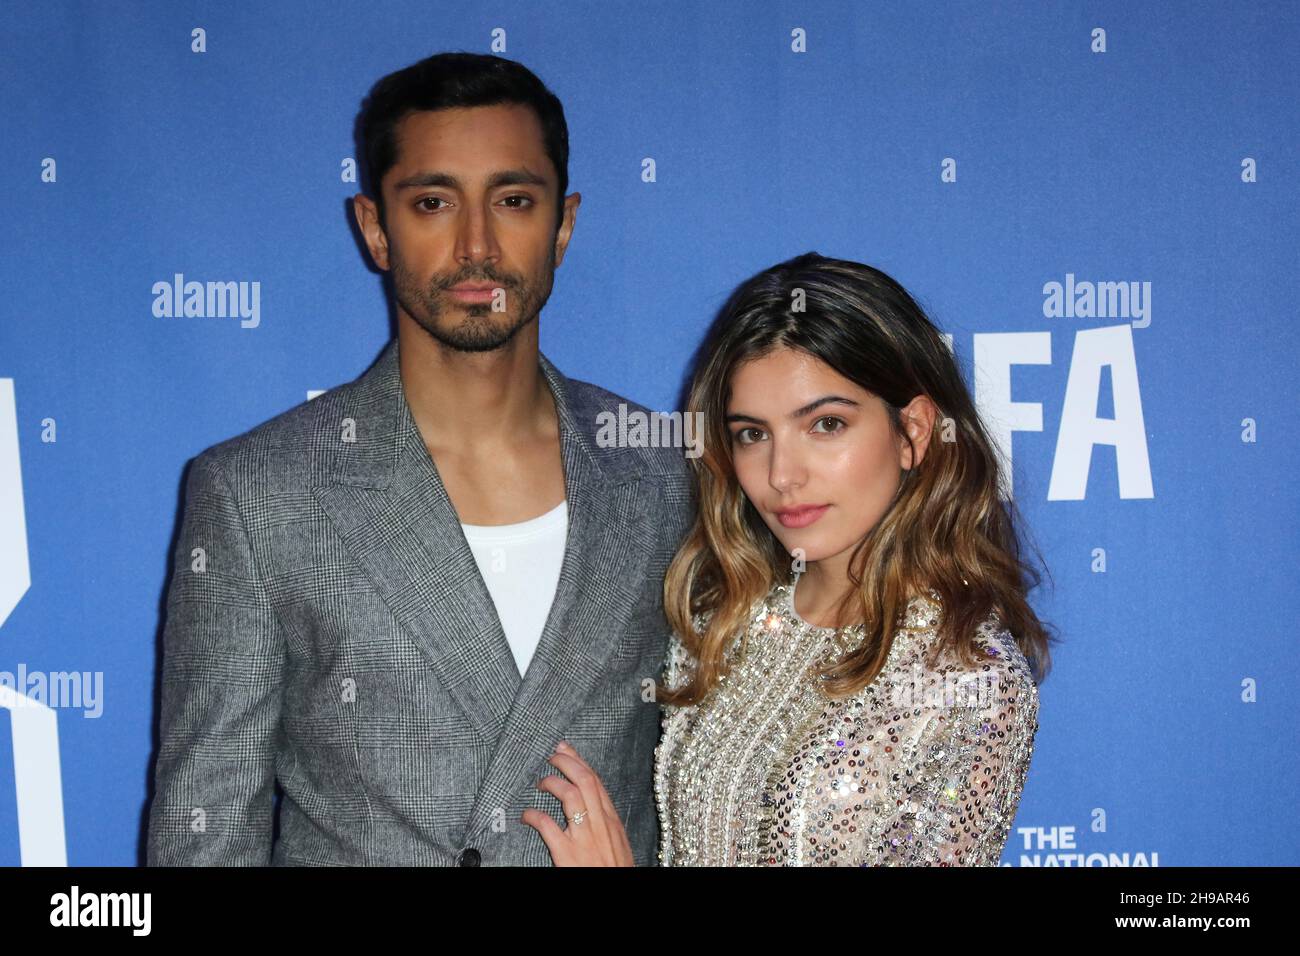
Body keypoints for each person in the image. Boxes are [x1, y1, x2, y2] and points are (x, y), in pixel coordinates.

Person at [146, 52, 692, 866]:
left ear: (564, 225)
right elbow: (205, 828)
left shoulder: (665, 475)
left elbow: (717, 789)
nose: (476, 246)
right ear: (375, 228)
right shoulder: (255, 494)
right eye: (433, 203)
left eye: (513, 200)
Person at [526, 252, 1055, 866]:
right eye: (753, 434)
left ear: (913, 432)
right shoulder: (726, 619)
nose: (782, 475)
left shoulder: (969, 679)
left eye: (825, 425)